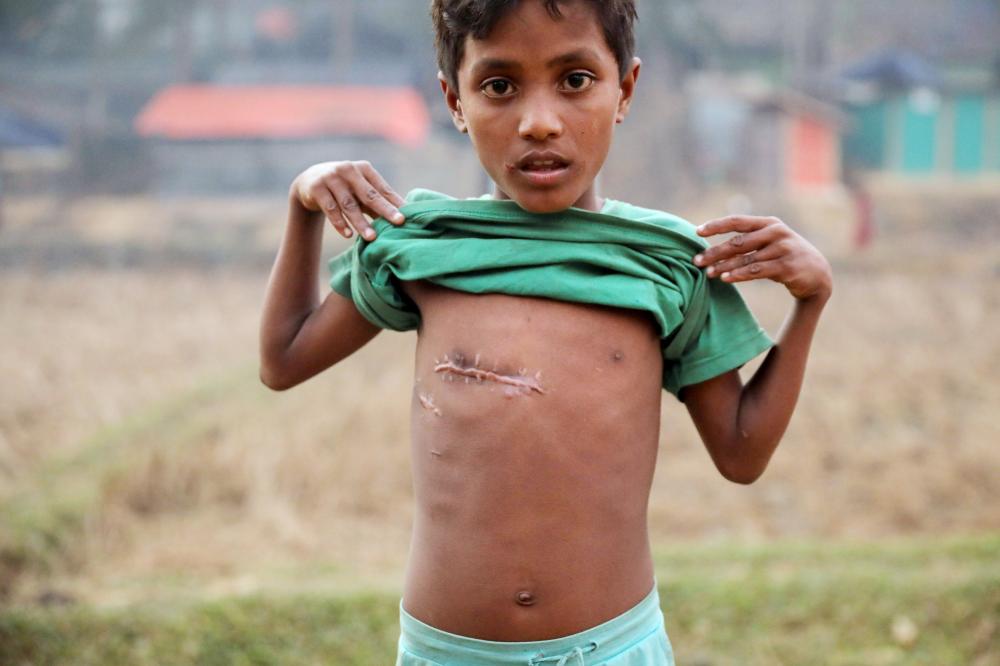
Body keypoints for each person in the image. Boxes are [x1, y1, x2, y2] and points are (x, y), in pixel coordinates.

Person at [259, 1, 833, 663]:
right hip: (447, 653)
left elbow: (741, 452)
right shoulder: (423, 244)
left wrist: (809, 303)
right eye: (499, 86)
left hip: (613, 649)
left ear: (626, 89)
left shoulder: (667, 263)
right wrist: (304, 201)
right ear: (454, 100)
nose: (539, 122)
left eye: (575, 80)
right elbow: (284, 359)